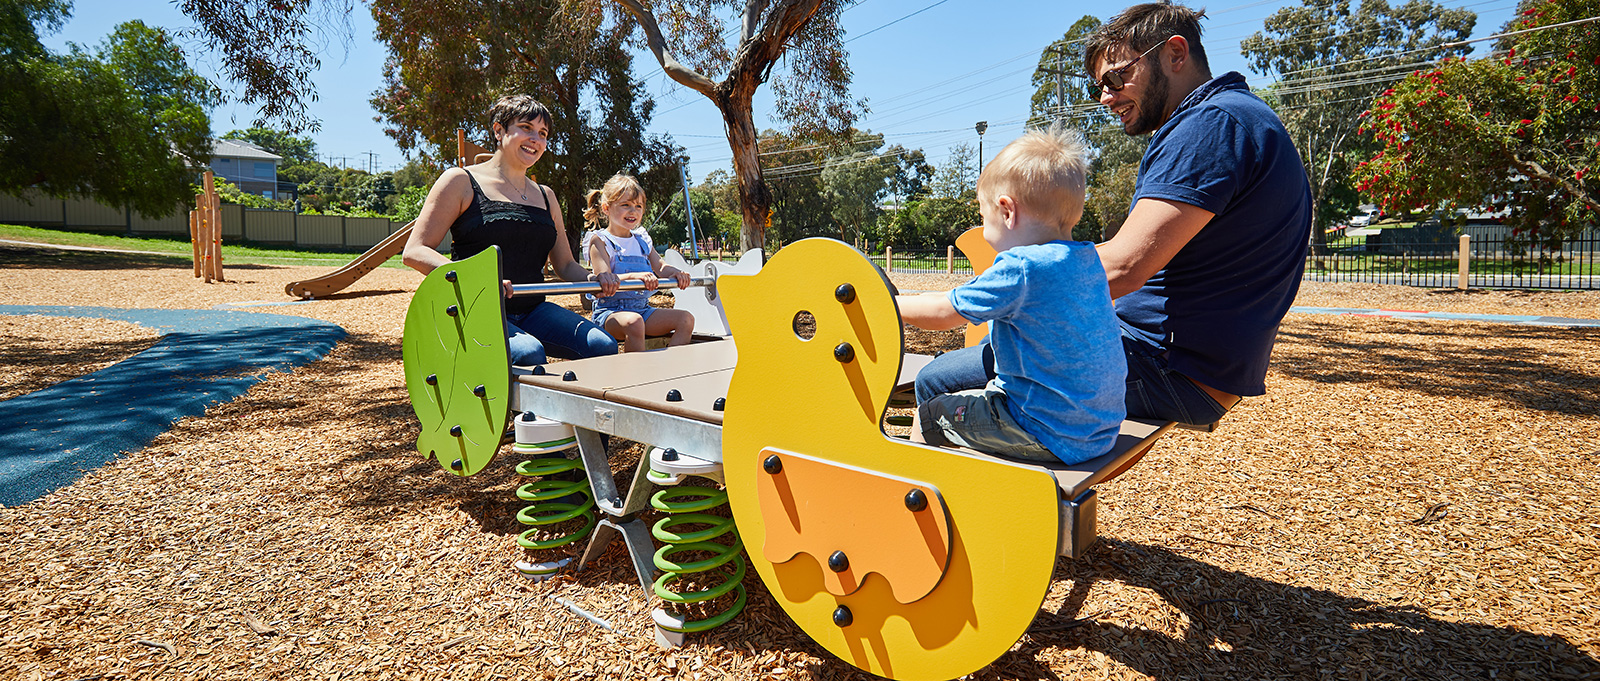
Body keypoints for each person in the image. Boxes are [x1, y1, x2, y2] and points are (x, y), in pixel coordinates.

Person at [915, 2, 1312, 427]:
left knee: (938, 381)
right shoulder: (1238, 117)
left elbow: (1124, 266)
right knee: (994, 352)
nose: (1106, 97)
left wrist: (1005, 288)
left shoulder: (1210, 125)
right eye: (1099, 86)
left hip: (1164, 365)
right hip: (1189, 364)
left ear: (1175, 54)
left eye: (1116, 76)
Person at [897, 127, 1125, 465]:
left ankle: (927, 496)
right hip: (1096, 431)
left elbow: (945, 312)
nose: (984, 229)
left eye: (982, 216)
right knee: (976, 397)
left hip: (1043, 430)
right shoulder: (1086, 258)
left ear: (1006, 211)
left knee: (928, 416)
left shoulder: (1022, 267)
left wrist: (890, 303)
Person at [401, 95, 619, 366]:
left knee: (603, 345)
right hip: (476, 308)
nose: (536, 139)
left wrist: (594, 280)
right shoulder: (461, 181)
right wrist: (477, 278)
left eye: (542, 133)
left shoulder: (546, 196)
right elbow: (415, 251)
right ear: (498, 130)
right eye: (526, 128)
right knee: (529, 353)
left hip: (533, 309)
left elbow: (564, 264)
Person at [582, 175, 695, 352]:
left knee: (685, 319)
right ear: (607, 208)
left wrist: (677, 273)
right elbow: (604, 278)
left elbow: (660, 266)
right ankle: (636, 375)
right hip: (610, 313)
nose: (633, 211)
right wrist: (635, 276)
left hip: (642, 310)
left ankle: (672, 369)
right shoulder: (600, 241)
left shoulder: (642, 240)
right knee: (634, 322)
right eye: (626, 205)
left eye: (638, 206)